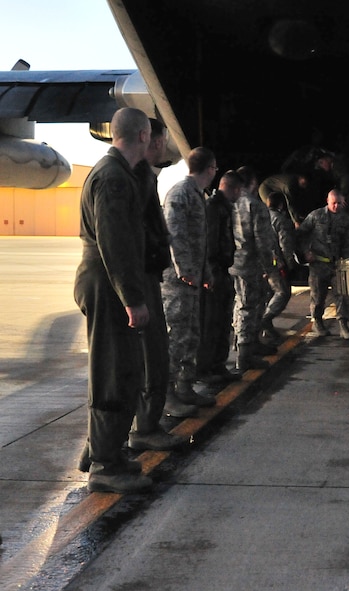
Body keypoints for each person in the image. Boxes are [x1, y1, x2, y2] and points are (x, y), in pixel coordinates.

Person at [73, 107, 153, 493]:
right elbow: (114, 243)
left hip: (108, 282)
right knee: (111, 369)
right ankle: (104, 465)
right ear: (142, 136)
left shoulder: (120, 173)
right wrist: (133, 299)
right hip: (107, 283)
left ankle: (106, 450)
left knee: (122, 368)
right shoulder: (114, 178)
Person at [129, 118, 194, 449]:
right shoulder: (126, 178)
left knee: (152, 356)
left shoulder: (143, 176)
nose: (165, 147)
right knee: (141, 361)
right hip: (139, 282)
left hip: (150, 278)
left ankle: (144, 427)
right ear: (149, 140)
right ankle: (123, 439)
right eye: (162, 140)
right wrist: (132, 296)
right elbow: (118, 239)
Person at [161, 147, 218, 411]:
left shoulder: (198, 195)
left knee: (191, 336)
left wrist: (204, 273)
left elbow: (199, 241)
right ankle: (167, 394)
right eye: (215, 168)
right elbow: (175, 233)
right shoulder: (181, 193)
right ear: (210, 168)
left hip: (193, 280)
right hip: (178, 282)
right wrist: (185, 271)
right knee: (177, 337)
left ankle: (184, 387)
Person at [196, 170, 243, 385]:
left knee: (222, 321)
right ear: (234, 188)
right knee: (211, 323)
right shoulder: (213, 208)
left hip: (222, 271)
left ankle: (217, 364)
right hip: (214, 272)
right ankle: (205, 369)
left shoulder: (223, 207)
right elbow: (209, 243)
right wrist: (210, 272)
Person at [231, 166, 279, 370]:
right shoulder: (254, 205)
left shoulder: (230, 202)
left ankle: (250, 343)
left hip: (231, 262)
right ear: (252, 183)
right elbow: (263, 240)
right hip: (249, 264)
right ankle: (245, 352)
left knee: (240, 304)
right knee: (250, 306)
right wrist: (269, 266)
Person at [293, 189, 349, 339]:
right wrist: (305, 252)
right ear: (327, 201)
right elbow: (300, 235)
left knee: (342, 295)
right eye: (333, 203)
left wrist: (347, 262)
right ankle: (318, 322)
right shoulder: (316, 216)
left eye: (339, 203)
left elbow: (348, 242)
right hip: (318, 264)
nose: (336, 206)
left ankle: (343, 324)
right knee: (318, 295)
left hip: (337, 264)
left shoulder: (345, 220)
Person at [262, 190, 299, 342]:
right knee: (282, 293)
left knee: (268, 294)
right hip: (276, 263)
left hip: (261, 262)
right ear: (282, 205)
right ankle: (265, 319)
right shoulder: (280, 220)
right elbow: (286, 245)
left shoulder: (262, 217)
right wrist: (289, 264)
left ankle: (266, 327)